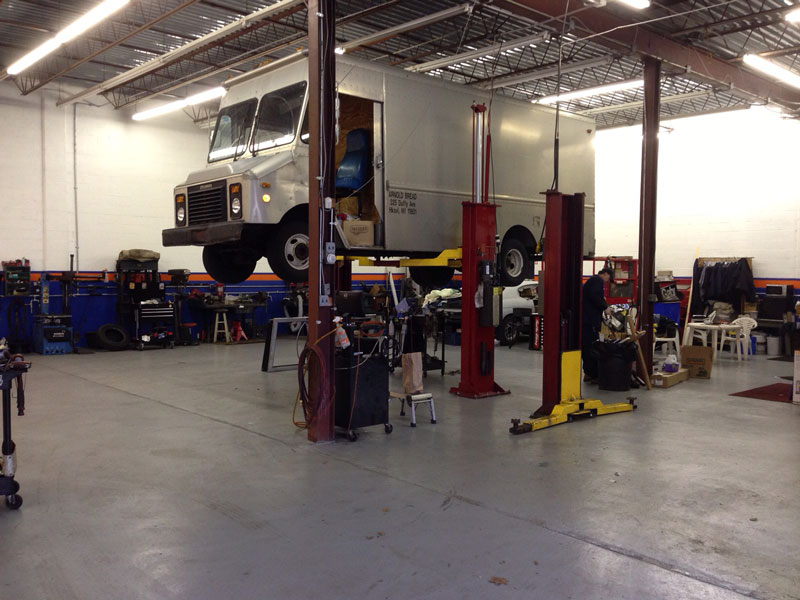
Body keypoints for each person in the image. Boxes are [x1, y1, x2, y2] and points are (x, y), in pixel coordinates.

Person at [582, 267, 613, 383]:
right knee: (592, 347)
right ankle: (593, 374)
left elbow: (595, 296)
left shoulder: (592, 280)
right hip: (590, 321)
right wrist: (605, 307)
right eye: (608, 278)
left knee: (587, 347)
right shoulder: (597, 280)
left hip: (586, 320)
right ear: (605, 274)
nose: (607, 281)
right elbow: (595, 296)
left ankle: (588, 373)